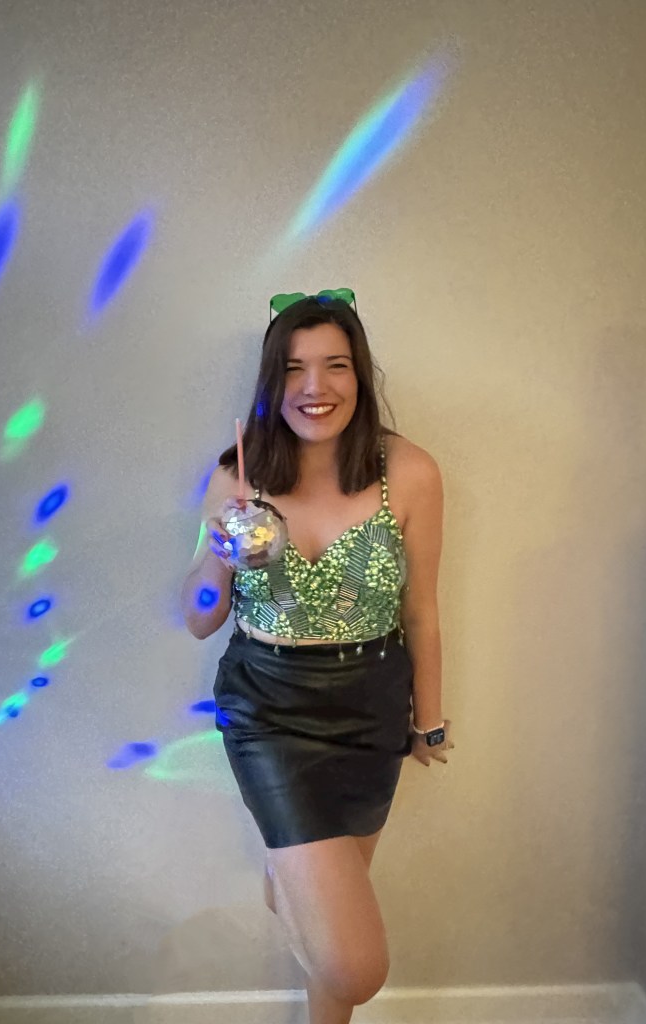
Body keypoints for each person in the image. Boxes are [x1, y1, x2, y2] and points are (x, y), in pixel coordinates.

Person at [181, 290, 454, 1024]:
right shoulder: (238, 475)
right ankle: (291, 878)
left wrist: (428, 721)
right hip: (268, 709)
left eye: (335, 365)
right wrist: (220, 554)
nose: (315, 386)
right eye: (294, 368)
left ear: (360, 373)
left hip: (372, 708)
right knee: (354, 963)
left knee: (336, 917)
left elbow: (422, 611)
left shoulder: (411, 472)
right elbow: (200, 620)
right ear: (271, 381)